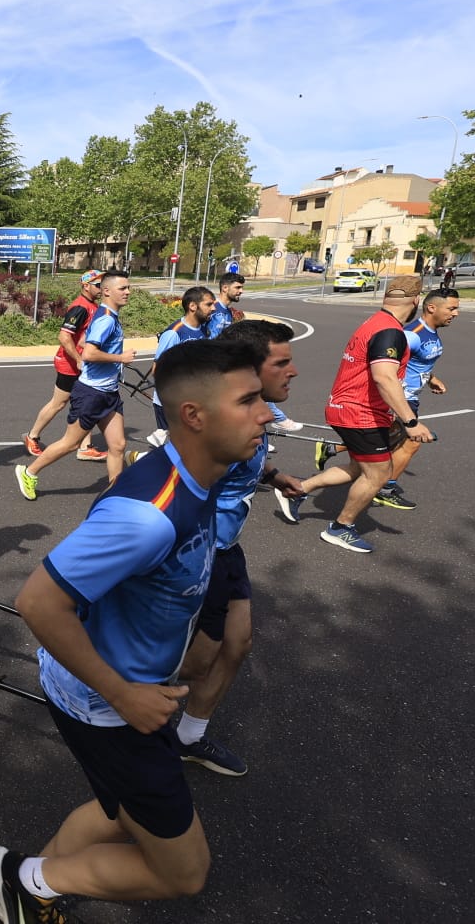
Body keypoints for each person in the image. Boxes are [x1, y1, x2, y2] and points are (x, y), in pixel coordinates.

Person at [0, 340, 274, 921]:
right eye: (249, 400)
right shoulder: (146, 517)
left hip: (128, 692)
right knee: (185, 872)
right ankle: (24, 879)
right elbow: (39, 603)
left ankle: (32, 892)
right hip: (110, 707)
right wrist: (124, 694)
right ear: (193, 416)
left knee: (117, 811)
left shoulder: (204, 473)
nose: (266, 412)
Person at [174, 319, 306, 778]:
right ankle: (122, 721)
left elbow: (241, 464)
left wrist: (271, 477)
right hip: (198, 554)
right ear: (250, 370)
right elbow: (174, 489)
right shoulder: (218, 425)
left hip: (226, 549)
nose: (293, 371)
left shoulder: (254, 414)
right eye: (282, 363)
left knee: (237, 643)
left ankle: (188, 738)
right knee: (191, 665)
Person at [275, 275, 435, 553]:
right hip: (358, 412)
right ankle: (340, 527)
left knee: (359, 467)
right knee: (379, 473)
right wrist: (411, 421)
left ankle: (298, 490)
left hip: (350, 408)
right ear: (416, 301)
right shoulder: (390, 332)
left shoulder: (376, 322)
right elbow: (384, 378)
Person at [317, 288, 460, 509]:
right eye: (452, 308)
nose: (456, 313)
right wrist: (404, 412)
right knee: (407, 443)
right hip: (400, 398)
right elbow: (387, 365)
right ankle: (384, 488)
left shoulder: (430, 332)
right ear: (431, 307)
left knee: (384, 446)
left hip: (409, 396)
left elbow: (415, 362)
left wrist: (431, 378)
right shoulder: (411, 334)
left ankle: (330, 454)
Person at [15, 271, 136, 501]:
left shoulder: (105, 314)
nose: (128, 292)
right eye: (123, 288)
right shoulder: (106, 319)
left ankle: (115, 495)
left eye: (128, 287)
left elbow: (83, 341)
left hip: (108, 392)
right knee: (70, 444)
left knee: (118, 445)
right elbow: (89, 352)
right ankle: (29, 472)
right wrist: (121, 359)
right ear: (107, 291)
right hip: (91, 393)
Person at [23, 270, 105, 462]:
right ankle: (32, 436)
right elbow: (64, 336)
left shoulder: (92, 306)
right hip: (69, 363)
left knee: (86, 402)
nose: (102, 288)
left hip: (82, 364)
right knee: (58, 403)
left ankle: (84, 447)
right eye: (98, 285)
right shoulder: (80, 308)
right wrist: (77, 359)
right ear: (86, 286)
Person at [207, 273, 303, 434]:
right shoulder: (214, 311)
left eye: (242, 287)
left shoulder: (227, 311)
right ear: (225, 288)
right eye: (237, 287)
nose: (241, 291)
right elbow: (214, 341)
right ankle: (277, 420)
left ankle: (257, 432)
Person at [147, 286, 215, 446]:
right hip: (172, 401)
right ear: (193, 306)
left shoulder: (203, 330)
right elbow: (157, 370)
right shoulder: (174, 333)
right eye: (208, 304)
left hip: (193, 399)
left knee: (186, 447)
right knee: (180, 448)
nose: (213, 308)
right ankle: (140, 459)